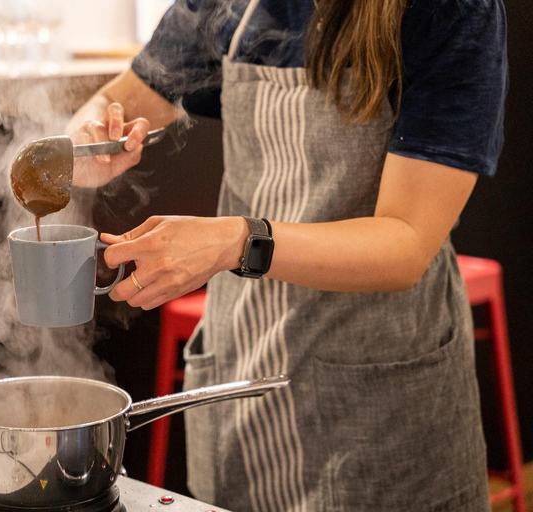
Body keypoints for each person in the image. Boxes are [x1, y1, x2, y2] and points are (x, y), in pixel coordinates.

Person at [65, 0, 507, 510]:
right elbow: (120, 99)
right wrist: (89, 137)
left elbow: (405, 243)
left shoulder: (453, 12)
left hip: (378, 393)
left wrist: (238, 241)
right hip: (245, 364)